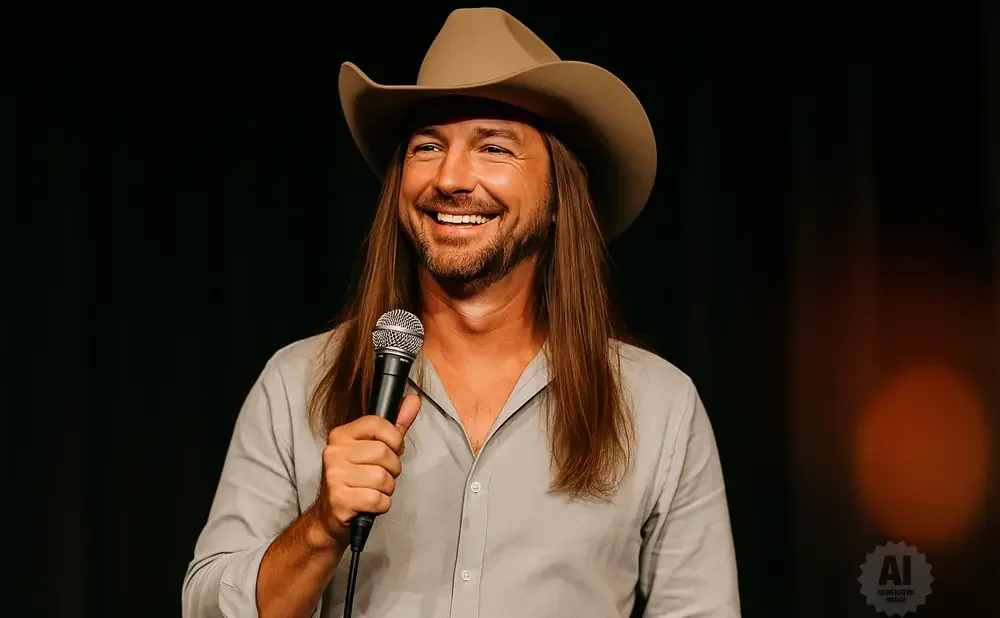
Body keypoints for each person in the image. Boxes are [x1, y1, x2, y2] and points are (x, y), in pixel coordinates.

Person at [182, 7, 740, 618]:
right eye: (427, 146)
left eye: (493, 147)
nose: (450, 177)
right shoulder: (297, 383)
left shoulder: (657, 405)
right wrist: (319, 529)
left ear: (559, 196)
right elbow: (207, 607)